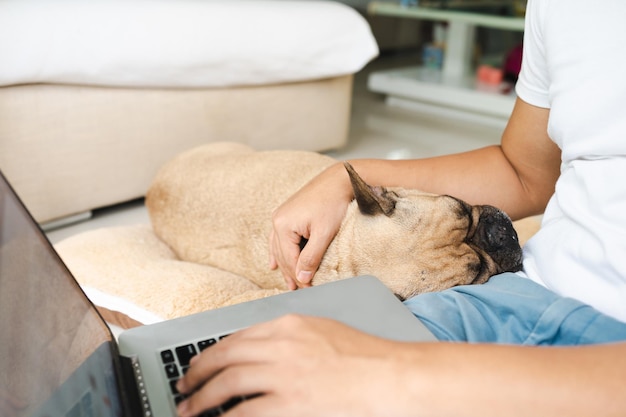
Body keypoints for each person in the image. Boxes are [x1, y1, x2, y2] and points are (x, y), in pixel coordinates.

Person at [176, 1, 626, 415]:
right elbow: (523, 171)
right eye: (460, 214)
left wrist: (404, 373)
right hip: (524, 293)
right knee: (266, 384)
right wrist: (344, 177)